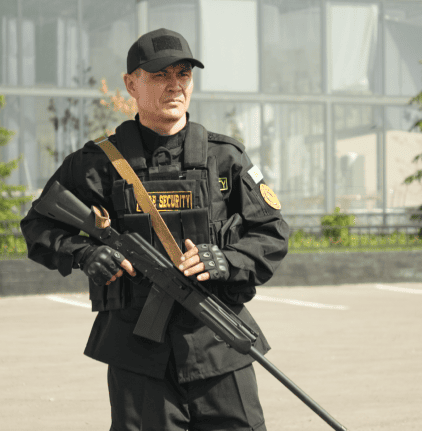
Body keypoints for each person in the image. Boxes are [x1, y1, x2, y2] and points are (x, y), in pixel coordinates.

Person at [20, 28, 290, 431]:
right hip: (138, 355)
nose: (174, 85)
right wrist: (85, 253)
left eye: (183, 74)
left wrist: (227, 260)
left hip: (218, 344)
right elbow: (38, 224)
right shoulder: (97, 164)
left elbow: (272, 232)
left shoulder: (225, 158)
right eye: (160, 75)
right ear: (131, 84)